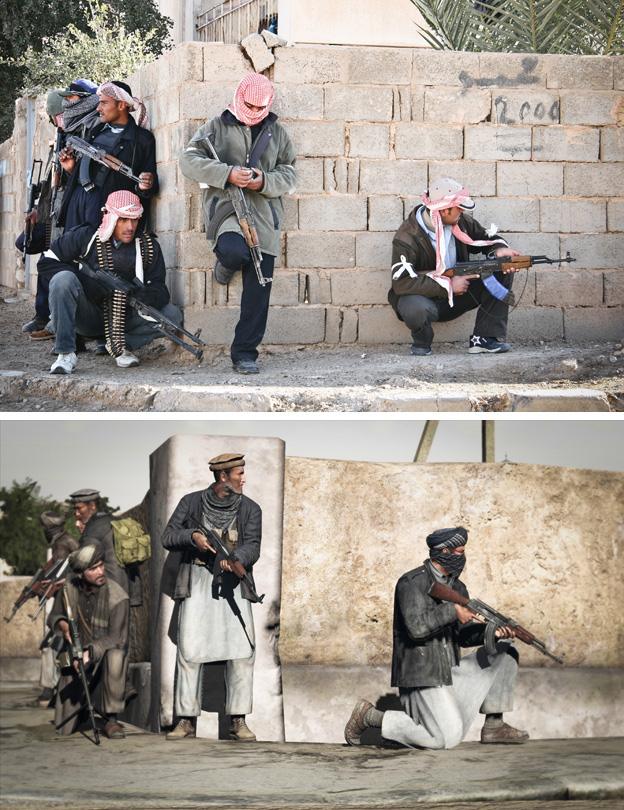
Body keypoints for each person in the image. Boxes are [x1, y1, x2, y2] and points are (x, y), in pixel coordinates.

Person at [344, 526, 529, 749]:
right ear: (444, 551)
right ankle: (370, 717)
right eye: (459, 552)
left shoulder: (457, 587)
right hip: (422, 675)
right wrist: (452, 611)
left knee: (507, 651)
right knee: (446, 739)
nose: (462, 558)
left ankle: (494, 725)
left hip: (449, 672)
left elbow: (462, 636)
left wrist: (493, 632)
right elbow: (416, 629)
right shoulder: (412, 582)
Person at [179, 73, 297, 374]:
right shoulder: (215, 127)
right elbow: (189, 161)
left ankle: (245, 353)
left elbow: (290, 173)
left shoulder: (278, 133)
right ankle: (225, 265)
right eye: (249, 106)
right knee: (234, 251)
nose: (254, 112)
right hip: (227, 211)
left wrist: (263, 181)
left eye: (260, 108)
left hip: (264, 218)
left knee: (259, 289)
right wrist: (227, 174)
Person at [162, 453, 261, 741]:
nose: (243, 478)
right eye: (239, 473)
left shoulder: (251, 509)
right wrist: (192, 536)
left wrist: (236, 559)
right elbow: (168, 536)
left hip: (233, 585)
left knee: (243, 651)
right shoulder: (191, 502)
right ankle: (186, 720)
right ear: (222, 477)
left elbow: (253, 544)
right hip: (196, 581)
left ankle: (238, 719)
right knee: (190, 651)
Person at [43, 189, 181, 374]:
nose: (130, 227)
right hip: (88, 315)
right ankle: (66, 352)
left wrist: (140, 295)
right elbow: (47, 262)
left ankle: (117, 343)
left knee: (173, 316)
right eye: (123, 220)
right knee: (62, 280)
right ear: (110, 217)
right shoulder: (87, 236)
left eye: (134, 219)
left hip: (125, 318)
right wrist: (86, 282)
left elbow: (160, 288)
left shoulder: (147, 246)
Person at [388, 178, 523, 356]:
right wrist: (448, 286)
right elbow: (402, 283)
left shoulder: (459, 222)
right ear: (444, 210)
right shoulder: (406, 237)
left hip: (460, 295)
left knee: (501, 267)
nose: (461, 211)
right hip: (427, 302)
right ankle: (422, 342)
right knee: (413, 305)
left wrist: (498, 249)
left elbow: (487, 236)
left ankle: (484, 339)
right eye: (458, 207)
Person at [47, 544, 129, 739]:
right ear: (81, 573)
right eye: (93, 569)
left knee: (116, 656)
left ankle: (111, 719)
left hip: (102, 657)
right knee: (63, 728)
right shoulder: (68, 590)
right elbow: (53, 617)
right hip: (74, 655)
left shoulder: (117, 597)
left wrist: (88, 653)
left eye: (101, 565)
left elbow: (117, 637)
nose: (100, 571)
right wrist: (62, 624)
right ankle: (81, 710)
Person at [58, 80, 157, 232]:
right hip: (78, 203)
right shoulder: (96, 130)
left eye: (104, 103)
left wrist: (145, 185)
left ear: (122, 105)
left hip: (107, 209)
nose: (98, 108)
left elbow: (149, 184)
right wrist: (71, 168)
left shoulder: (142, 140)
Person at [37, 511, 79, 707]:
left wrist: (52, 586)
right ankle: (55, 687)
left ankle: (55, 689)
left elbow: (66, 573)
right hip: (58, 598)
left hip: (63, 599)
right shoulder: (60, 542)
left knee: (56, 644)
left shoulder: (64, 543)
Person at [69, 489, 127, 594]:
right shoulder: (111, 519)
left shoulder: (92, 529)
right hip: (127, 587)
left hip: (108, 589)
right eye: (75, 510)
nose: (76, 514)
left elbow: (81, 563)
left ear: (92, 506)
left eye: (79, 508)